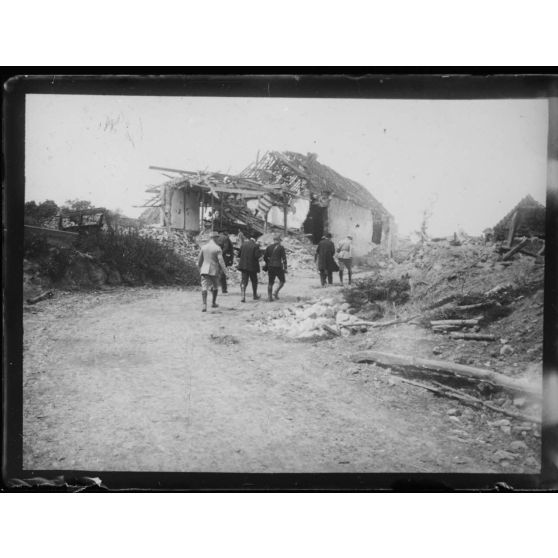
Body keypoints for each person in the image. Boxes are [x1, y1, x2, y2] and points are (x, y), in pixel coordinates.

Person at [197, 231, 228, 312]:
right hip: (214, 270)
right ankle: (213, 303)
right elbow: (221, 261)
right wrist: (225, 271)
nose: (218, 239)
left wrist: (200, 269)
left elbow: (199, 261)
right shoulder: (217, 248)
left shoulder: (204, 247)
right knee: (215, 286)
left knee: (204, 287)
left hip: (204, 270)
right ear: (214, 238)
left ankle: (204, 305)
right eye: (217, 237)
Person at [263, 234, 287, 301]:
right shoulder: (281, 247)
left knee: (270, 282)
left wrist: (268, 263)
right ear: (279, 241)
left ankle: (269, 297)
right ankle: (276, 292)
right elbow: (284, 258)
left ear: (274, 240)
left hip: (270, 267)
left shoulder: (269, 247)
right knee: (282, 281)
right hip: (278, 266)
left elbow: (265, 257)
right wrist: (285, 267)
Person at [237, 237, 261, 302]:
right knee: (254, 281)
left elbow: (239, 255)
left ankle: (242, 296)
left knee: (244, 281)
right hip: (252, 267)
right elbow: (257, 256)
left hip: (243, 267)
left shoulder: (243, 244)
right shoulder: (256, 246)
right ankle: (255, 295)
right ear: (255, 240)